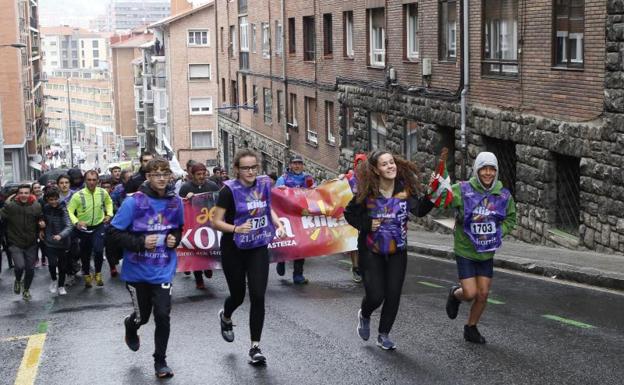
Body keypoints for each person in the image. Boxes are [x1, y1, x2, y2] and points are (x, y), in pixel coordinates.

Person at [344, 150, 434, 350]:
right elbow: (349, 214)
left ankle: (383, 334)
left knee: (393, 294)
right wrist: (367, 223)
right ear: (376, 170)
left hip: (397, 250)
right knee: (376, 295)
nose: (390, 166)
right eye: (384, 164)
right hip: (371, 250)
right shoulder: (367, 192)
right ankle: (365, 314)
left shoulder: (404, 189)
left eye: (391, 162)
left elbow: (419, 210)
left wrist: (432, 197)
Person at [108, 158, 184, 378]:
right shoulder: (134, 202)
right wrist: (141, 243)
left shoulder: (175, 202)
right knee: (143, 317)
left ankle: (160, 361)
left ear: (170, 176)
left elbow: (178, 228)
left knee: (163, 315)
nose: (161, 178)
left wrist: (174, 239)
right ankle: (131, 325)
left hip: (163, 268)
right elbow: (113, 233)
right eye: (156, 174)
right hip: (137, 271)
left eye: (165, 174)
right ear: (148, 177)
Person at [211, 149, 286, 365]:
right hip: (233, 248)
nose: (251, 171)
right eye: (246, 168)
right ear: (237, 169)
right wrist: (235, 229)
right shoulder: (228, 191)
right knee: (238, 295)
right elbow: (215, 222)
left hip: (258, 246)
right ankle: (226, 316)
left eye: (254, 167)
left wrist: (278, 223)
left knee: (258, 296)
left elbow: (266, 208)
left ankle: (255, 347)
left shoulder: (264, 184)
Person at [444, 152, 516, 344]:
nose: (487, 173)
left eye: (492, 169)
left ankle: (471, 328)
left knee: (483, 294)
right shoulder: (462, 189)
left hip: (486, 252)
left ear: (496, 171)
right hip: (465, 249)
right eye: (483, 169)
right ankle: (455, 294)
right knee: (470, 293)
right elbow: (442, 200)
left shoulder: (503, 195)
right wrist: (440, 189)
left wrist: (499, 231)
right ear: (476, 170)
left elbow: (511, 218)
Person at [67, 170, 114, 288]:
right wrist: (77, 222)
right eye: (89, 180)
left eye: (94, 180)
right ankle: (87, 275)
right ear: (85, 180)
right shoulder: (78, 195)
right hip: (84, 228)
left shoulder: (103, 193)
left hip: (98, 226)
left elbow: (109, 202)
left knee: (98, 250)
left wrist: (109, 214)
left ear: (98, 181)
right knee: (85, 253)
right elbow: (70, 211)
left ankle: (98, 273)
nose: (92, 182)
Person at [275, 155, 315, 284]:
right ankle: (281, 260)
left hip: (301, 216)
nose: (297, 165)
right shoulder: (283, 179)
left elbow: (315, 193)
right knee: (286, 241)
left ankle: (298, 275)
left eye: (299, 163)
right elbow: (276, 195)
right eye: (294, 163)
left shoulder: (308, 179)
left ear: (303, 165)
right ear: (290, 165)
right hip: (286, 215)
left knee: (301, 245)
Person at [178, 162, 219, 289]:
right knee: (194, 251)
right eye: (198, 174)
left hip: (209, 222)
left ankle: (207, 267)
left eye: (203, 174)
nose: (201, 176)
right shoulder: (185, 187)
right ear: (192, 175)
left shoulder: (212, 185)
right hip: (193, 224)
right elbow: (180, 205)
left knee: (209, 247)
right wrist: (186, 197)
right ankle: (198, 278)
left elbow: (219, 201)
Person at [0, 184, 43, 301]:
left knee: (30, 269)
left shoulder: (36, 206)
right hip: (15, 242)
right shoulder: (11, 206)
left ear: (30, 194)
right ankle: (18, 280)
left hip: (31, 243)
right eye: (21, 193)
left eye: (26, 193)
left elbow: (40, 218)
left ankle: (26, 290)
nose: (24, 195)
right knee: (19, 266)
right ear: (17, 195)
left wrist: (41, 224)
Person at [40, 186, 73, 295]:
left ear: (58, 198)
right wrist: (41, 226)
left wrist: (61, 235)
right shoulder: (45, 208)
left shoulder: (63, 209)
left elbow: (69, 226)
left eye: (56, 199)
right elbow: (41, 219)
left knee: (62, 266)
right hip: (49, 242)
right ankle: (54, 280)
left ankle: (61, 286)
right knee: (52, 264)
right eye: (51, 200)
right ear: (47, 200)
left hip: (63, 242)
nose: (54, 202)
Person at [344, 153, 368, 283]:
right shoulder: (349, 177)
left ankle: (364, 266)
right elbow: (337, 186)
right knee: (353, 243)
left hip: (365, 214)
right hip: (353, 214)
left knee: (364, 243)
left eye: (362, 163)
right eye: (358, 163)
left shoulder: (370, 178)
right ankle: (355, 267)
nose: (360, 166)